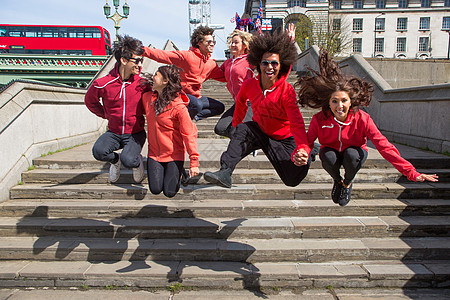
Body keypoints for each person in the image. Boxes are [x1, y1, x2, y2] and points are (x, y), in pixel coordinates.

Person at [295, 49, 439, 206]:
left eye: (344, 100)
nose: (339, 106)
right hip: (332, 153)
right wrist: (301, 152)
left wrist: (411, 172)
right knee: (326, 154)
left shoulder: (362, 119)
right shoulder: (320, 120)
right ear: (328, 103)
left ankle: (347, 183)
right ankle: (338, 181)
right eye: (334, 101)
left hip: (355, 153)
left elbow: (384, 146)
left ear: (351, 102)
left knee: (350, 154)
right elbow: (306, 142)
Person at [203, 31, 311, 188]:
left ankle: (311, 151)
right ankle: (225, 172)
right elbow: (240, 104)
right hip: (260, 131)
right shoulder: (250, 85)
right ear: (258, 64)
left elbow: (297, 122)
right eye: (265, 63)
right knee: (242, 129)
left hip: (284, 138)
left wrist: (303, 147)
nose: (269, 67)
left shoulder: (286, 90)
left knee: (291, 180)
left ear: (280, 66)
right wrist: (236, 127)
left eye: (274, 63)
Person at [85, 35, 146, 183]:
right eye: (137, 60)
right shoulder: (103, 83)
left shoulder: (143, 83)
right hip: (114, 132)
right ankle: (115, 161)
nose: (140, 65)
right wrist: (106, 114)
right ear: (123, 60)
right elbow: (90, 101)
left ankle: (136, 161)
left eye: (142, 60)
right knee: (98, 152)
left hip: (135, 133)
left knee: (130, 160)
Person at [142, 25, 226, 121]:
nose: (212, 44)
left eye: (213, 42)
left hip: (195, 97)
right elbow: (163, 55)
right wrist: (142, 50)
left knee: (219, 107)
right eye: (209, 42)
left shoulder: (211, 64)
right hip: (180, 94)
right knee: (197, 105)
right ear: (199, 43)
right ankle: (180, 119)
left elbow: (225, 76)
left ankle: (191, 117)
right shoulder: (187, 56)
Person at [141, 65, 200, 198]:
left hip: (174, 155)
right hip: (154, 154)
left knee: (169, 192)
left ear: (165, 81)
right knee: (155, 189)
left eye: (156, 75)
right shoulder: (147, 98)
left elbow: (189, 134)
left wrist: (194, 162)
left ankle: (181, 173)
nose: (153, 77)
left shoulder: (179, 108)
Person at [214, 29, 255, 138]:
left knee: (235, 131)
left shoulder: (250, 60)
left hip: (250, 102)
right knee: (220, 128)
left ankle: (251, 140)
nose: (232, 45)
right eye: (232, 42)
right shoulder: (228, 63)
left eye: (236, 42)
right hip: (238, 103)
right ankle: (250, 139)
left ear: (244, 45)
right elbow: (219, 75)